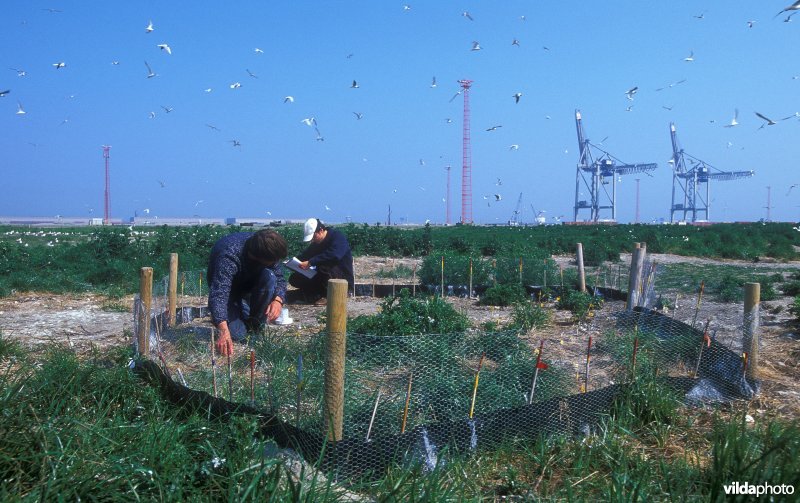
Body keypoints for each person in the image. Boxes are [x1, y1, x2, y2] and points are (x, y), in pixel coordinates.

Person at [207, 229, 288, 356]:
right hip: (229, 292)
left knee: (269, 276)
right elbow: (219, 294)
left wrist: (278, 300)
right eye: (273, 260)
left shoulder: (268, 249)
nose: (275, 262)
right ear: (259, 257)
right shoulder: (229, 256)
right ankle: (231, 313)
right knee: (239, 335)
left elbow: (280, 279)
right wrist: (223, 330)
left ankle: (256, 324)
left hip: (250, 284)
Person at [288, 218, 353, 305]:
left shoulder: (337, 237)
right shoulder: (317, 243)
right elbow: (305, 255)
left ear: (321, 230)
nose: (312, 240)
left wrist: (310, 262)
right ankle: (316, 293)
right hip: (322, 277)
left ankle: (329, 295)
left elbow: (335, 255)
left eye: (313, 237)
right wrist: (293, 263)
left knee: (324, 266)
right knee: (295, 278)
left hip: (341, 277)